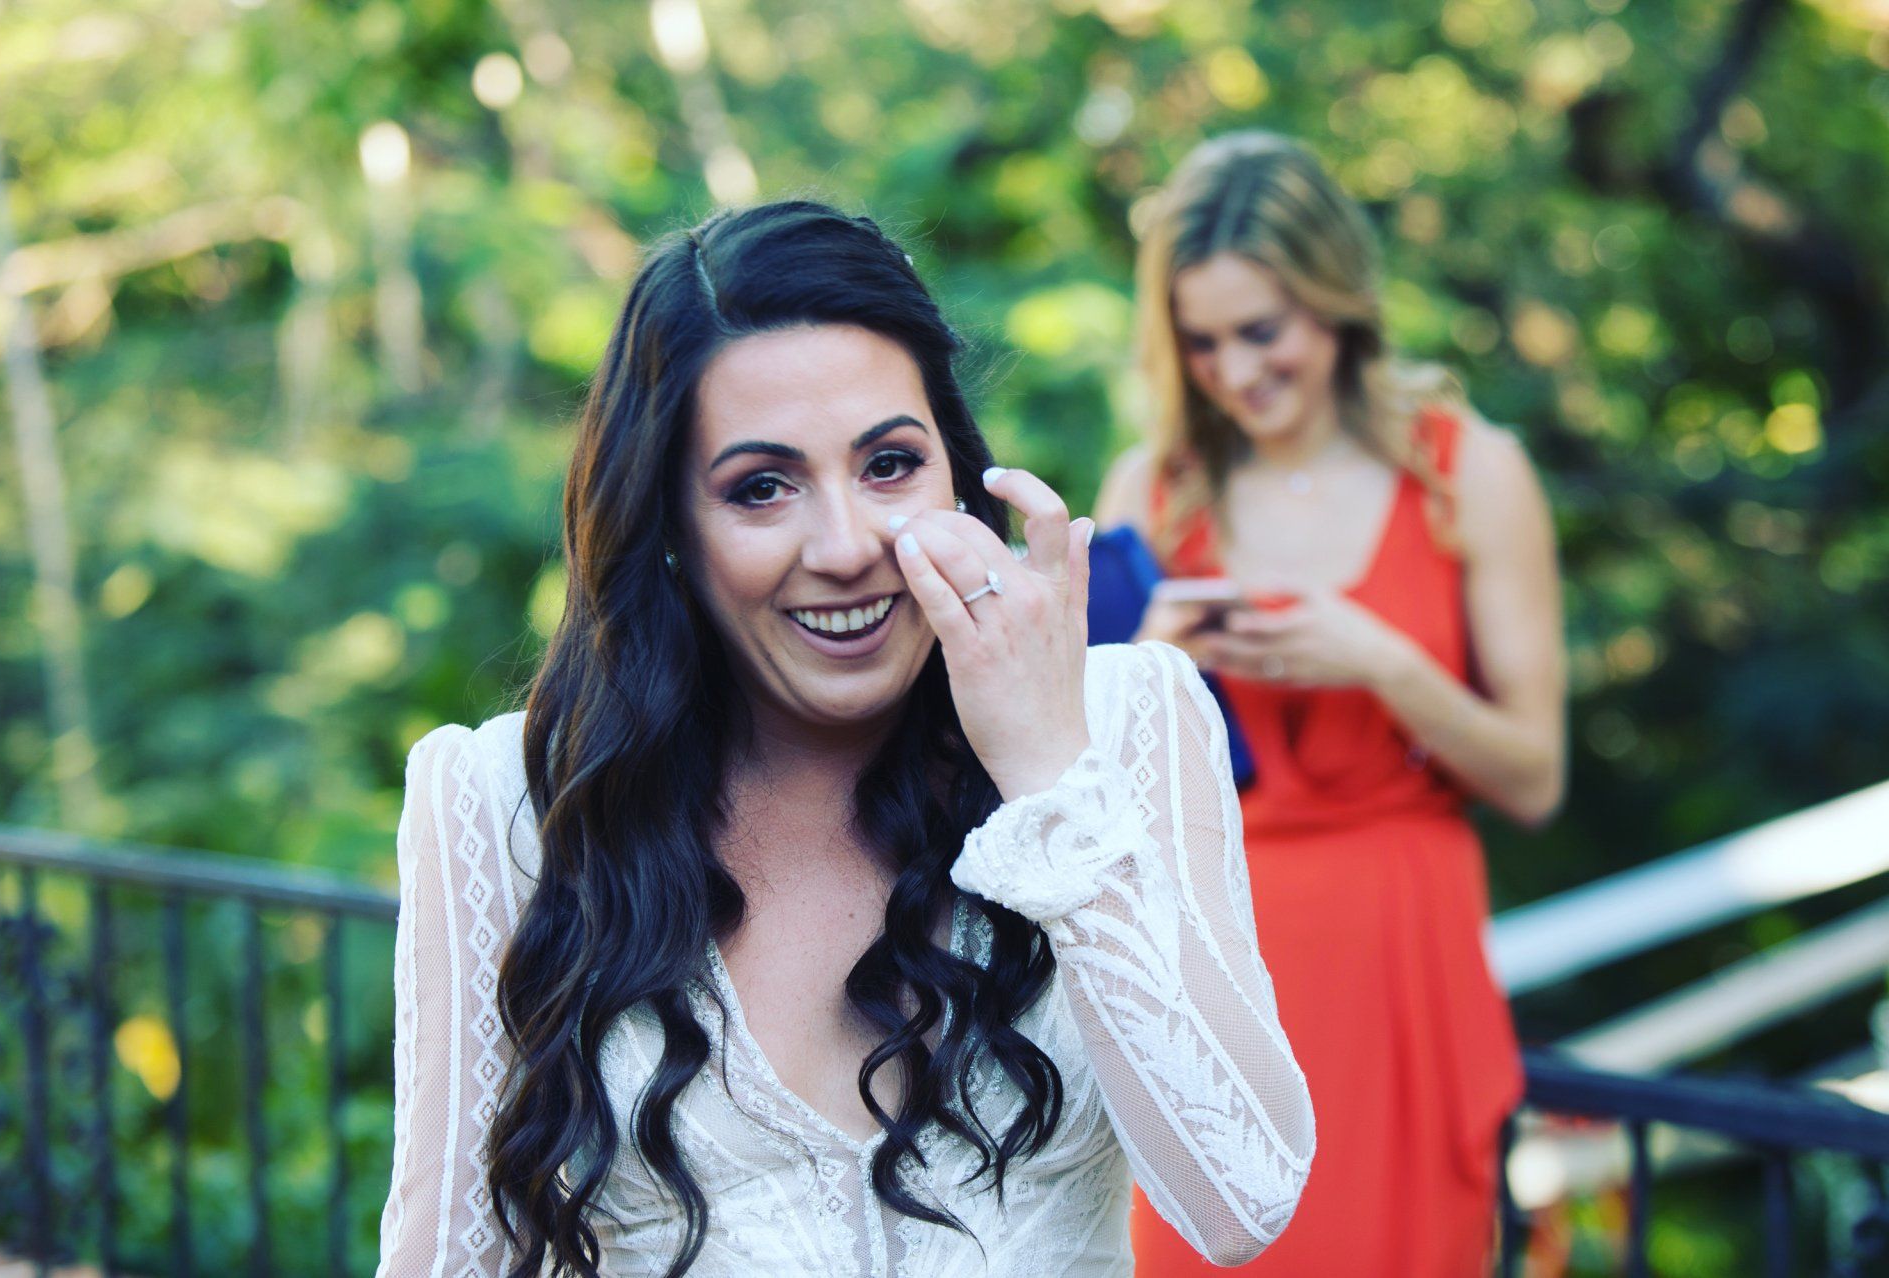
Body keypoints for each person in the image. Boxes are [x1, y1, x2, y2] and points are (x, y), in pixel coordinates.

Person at [375, 200, 1313, 1278]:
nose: (845, 546)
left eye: (889, 466)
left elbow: (1244, 1197)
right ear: (669, 526)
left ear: (958, 475)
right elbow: (447, 1260)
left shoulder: (1128, 723)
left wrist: (1050, 775)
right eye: (761, 489)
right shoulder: (502, 799)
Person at [1096, 134, 1565, 1277]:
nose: (1235, 372)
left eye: (1263, 332)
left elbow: (1535, 780)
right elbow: (1085, 797)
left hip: (1402, 966)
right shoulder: (1149, 490)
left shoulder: (1467, 470)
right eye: (1201, 343)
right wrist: (1144, 670)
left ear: (1339, 301)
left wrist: (1386, 663)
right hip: (1215, 978)